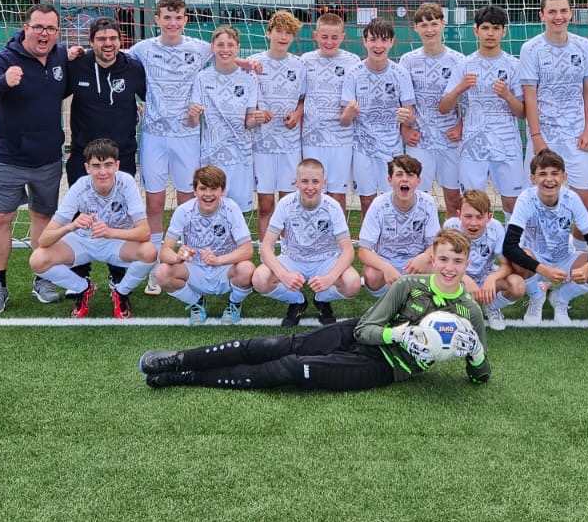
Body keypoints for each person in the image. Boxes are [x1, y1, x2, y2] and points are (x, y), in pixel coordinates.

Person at [139, 230, 490, 391]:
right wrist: (399, 333)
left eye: (457, 261)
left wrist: (475, 353)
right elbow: (365, 330)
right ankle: (177, 359)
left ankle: (186, 377)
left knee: (290, 368)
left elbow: (480, 376)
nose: (449, 268)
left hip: (382, 367)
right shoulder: (409, 286)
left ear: (467, 264)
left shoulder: (469, 312)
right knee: (272, 346)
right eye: (444, 259)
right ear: (433, 258)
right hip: (358, 336)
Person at [0, 1, 72, 316]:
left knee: (43, 218)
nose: (44, 33)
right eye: (38, 26)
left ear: (57, 32)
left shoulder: (60, 56)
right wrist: (3, 81)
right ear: (25, 28)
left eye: (50, 28)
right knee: (2, 218)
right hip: (9, 157)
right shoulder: (5, 59)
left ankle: (42, 278)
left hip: (47, 158)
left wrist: (74, 55)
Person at [128, 0, 213, 284]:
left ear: (185, 20)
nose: (173, 23)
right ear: (157, 20)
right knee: (154, 203)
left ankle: (188, 259)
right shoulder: (143, 49)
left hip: (187, 136)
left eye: (178, 18)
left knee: (188, 201)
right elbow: (114, 59)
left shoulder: (199, 48)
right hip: (154, 136)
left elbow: (226, 53)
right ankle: (155, 263)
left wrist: (249, 65)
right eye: (167, 17)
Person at [28, 138, 158, 320]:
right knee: (38, 260)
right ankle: (83, 288)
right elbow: (44, 240)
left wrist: (110, 232)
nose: (102, 172)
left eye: (108, 165)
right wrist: (71, 226)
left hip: (117, 242)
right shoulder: (80, 187)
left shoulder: (126, 183)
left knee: (150, 252)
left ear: (117, 166)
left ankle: (121, 292)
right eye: (96, 166)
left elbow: (144, 232)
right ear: (87, 168)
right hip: (83, 241)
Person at [65, 15, 146, 297]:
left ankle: (117, 274)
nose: (107, 44)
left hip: (122, 156)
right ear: (91, 42)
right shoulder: (77, 66)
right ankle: (80, 277)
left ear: (120, 41)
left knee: (119, 216)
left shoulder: (133, 68)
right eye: (101, 39)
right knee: (81, 215)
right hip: (82, 156)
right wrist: (65, 52)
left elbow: (152, 97)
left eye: (112, 38)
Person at [495, 148, 588, 325]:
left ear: (564, 177)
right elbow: (509, 246)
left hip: (564, 258)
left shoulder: (572, 199)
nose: (549, 179)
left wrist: (587, 267)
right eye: (542, 174)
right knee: (518, 260)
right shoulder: (526, 199)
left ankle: (561, 298)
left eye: (555, 173)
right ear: (533, 178)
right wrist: (544, 270)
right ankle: (536, 296)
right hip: (535, 259)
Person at [252, 156, 361, 326]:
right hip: (293, 259)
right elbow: (266, 247)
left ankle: (321, 299)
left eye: (315, 182)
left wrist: (330, 278)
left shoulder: (332, 207)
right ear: (295, 182)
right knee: (260, 279)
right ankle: (297, 301)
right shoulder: (285, 204)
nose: (310, 187)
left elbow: (348, 250)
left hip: (326, 260)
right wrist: (284, 276)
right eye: (304, 181)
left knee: (352, 283)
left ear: (324, 183)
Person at [518, 0, 588, 213]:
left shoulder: (584, 46)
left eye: (563, 11)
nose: (558, 17)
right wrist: (536, 137)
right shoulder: (530, 49)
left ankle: (579, 239)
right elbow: (530, 96)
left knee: (586, 205)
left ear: (571, 13)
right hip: (544, 136)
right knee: (536, 202)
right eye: (552, 12)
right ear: (542, 15)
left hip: (576, 137)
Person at [442, 5, 526, 212]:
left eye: (496, 28)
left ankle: (510, 235)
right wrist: (460, 88)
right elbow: (443, 107)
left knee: (512, 204)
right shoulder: (464, 65)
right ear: (476, 30)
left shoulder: (514, 65)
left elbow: (523, 112)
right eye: (485, 28)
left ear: (504, 31)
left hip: (507, 146)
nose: (490, 33)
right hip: (473, 146)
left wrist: (507, 95)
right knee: (472, 204)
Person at [154, 165, 256, 325]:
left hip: (224, 269)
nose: (208, 194)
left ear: (223, 191)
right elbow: (165, 251)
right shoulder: (183, 211)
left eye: (214, 188)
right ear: (195, 191)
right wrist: (177, 258)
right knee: (161, 273)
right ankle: (196, 302)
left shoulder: (231, 209)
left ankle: (234, 303)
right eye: (203, 188)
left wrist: (218, 260)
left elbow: (247, 249)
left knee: (247, 269)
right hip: (194, 269)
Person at [340, 18, 417, 217]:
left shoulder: (400, 73)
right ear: (364, 41)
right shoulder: (354, 73)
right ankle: (368, 237)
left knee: (393, 200)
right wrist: (349, 114)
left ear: (392, 42)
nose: (378, 45)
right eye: (373, 39)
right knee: (367, 202)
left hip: (391, 150)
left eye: (384, 40)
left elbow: (411, 118)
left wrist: (407, 117)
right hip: (362, 149)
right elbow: (344, 120)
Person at [399, 1, 466, 219]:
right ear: (416, 28)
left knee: (454, 199)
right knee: (417, 196)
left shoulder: (458, 60)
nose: (429, 30)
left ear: (443, 24)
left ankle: (451, 237)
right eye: (424, 25)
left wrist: (461, 125)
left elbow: (469, 101)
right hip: (420, 139)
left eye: (434, 24)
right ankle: (420, 238)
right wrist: (404, 129)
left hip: (450, 139)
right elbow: (402, 102)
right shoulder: (407, 61)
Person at [186, 25, 260, 213]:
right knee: (211, 211)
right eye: (220, 45)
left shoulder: (249, 79)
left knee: (238, 213)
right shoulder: (202, 78)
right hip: (212, 158)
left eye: (230, 45)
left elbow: (248, 122)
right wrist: (193, 114)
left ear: (238, 47)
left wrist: (258, 118)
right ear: (212, 47)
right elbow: (193, 123)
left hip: (240, 157)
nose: (225, 49)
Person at [248, 10, 308, 229]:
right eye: (279, 31)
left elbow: (304, 99)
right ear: (268, 33)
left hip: (289, 144)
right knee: (265, 205)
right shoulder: (253, 63)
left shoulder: (300, 65)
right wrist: (257, 112)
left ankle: (287, 248)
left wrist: (298, 113)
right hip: (262, 144)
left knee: (288, 203)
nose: (283, 37)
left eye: (288, 33)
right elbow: (244, 99)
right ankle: (266, 248)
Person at [300, 12, 363, 205]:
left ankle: (338, 227)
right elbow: (300, 98)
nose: (329, 42)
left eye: (334, 37)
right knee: (312, 192)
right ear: (316, 36)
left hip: (341, 138)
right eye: (324, 37)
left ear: (343, 37)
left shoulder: (353, 61)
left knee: (337, 195)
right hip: (312, 138)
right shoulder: (305, 60)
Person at [356, 154, 440, 294]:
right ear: (390, 180)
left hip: (415, 262)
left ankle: (415, 293)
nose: (404, 179)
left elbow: (436, 244)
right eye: (399, 174)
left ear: (418, 181)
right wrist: (385, 267)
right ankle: (386, 295)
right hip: (386, 260)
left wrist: (425, 256)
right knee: (371, 275)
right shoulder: (379, 205)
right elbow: (363, 251)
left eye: (410, 175)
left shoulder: (428, 202)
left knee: (437, 267)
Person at [444, 188, 523, 331]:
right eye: (468, 216)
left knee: (517, 285)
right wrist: (465, 279)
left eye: (479, 217)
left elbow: (506, 265)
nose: (473, 223)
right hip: (458, 279)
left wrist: (492, 278)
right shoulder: (450, 227)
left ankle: (491, 306)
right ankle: (459, 308)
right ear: (459, 215)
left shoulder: (496, 228)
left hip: (485, 276)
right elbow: (442, 264)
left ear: (489, 217)